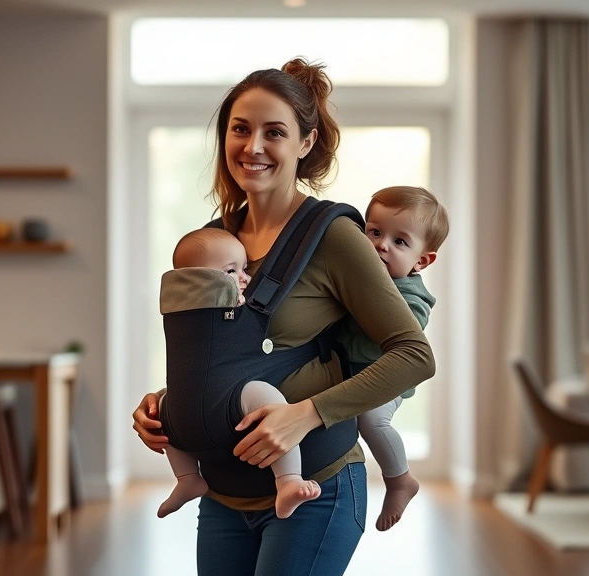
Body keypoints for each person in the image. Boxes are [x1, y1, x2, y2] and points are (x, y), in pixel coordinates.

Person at [131, 58, 435, 576]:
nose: (252, 147)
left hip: (318, 487)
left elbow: (414, 355)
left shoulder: (335, 236)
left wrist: (306, 413)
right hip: (224, 494)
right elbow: (209, 353)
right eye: (240, 129)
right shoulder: (214, 241)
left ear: (305, 143)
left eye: (274, 132)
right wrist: (163, 405)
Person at [156, 227, 321, 520]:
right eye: (231, 271)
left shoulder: (173, 309)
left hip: (180, 416)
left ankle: (186, 478)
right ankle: (288, 478)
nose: (245, 278)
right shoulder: (222, 302)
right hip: (227, 402)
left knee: (163, 408)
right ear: (195, 279)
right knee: (267, 398)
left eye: (244, 268)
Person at [342, 185, 448, 531]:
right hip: (350, 375)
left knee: (371, 420)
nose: (381, 244)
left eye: (400, 241)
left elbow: (405, 329)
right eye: (374, 232)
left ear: (422, 260)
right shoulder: (357, 277)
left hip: (386, 382)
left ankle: (400, 480)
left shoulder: (411, 295)